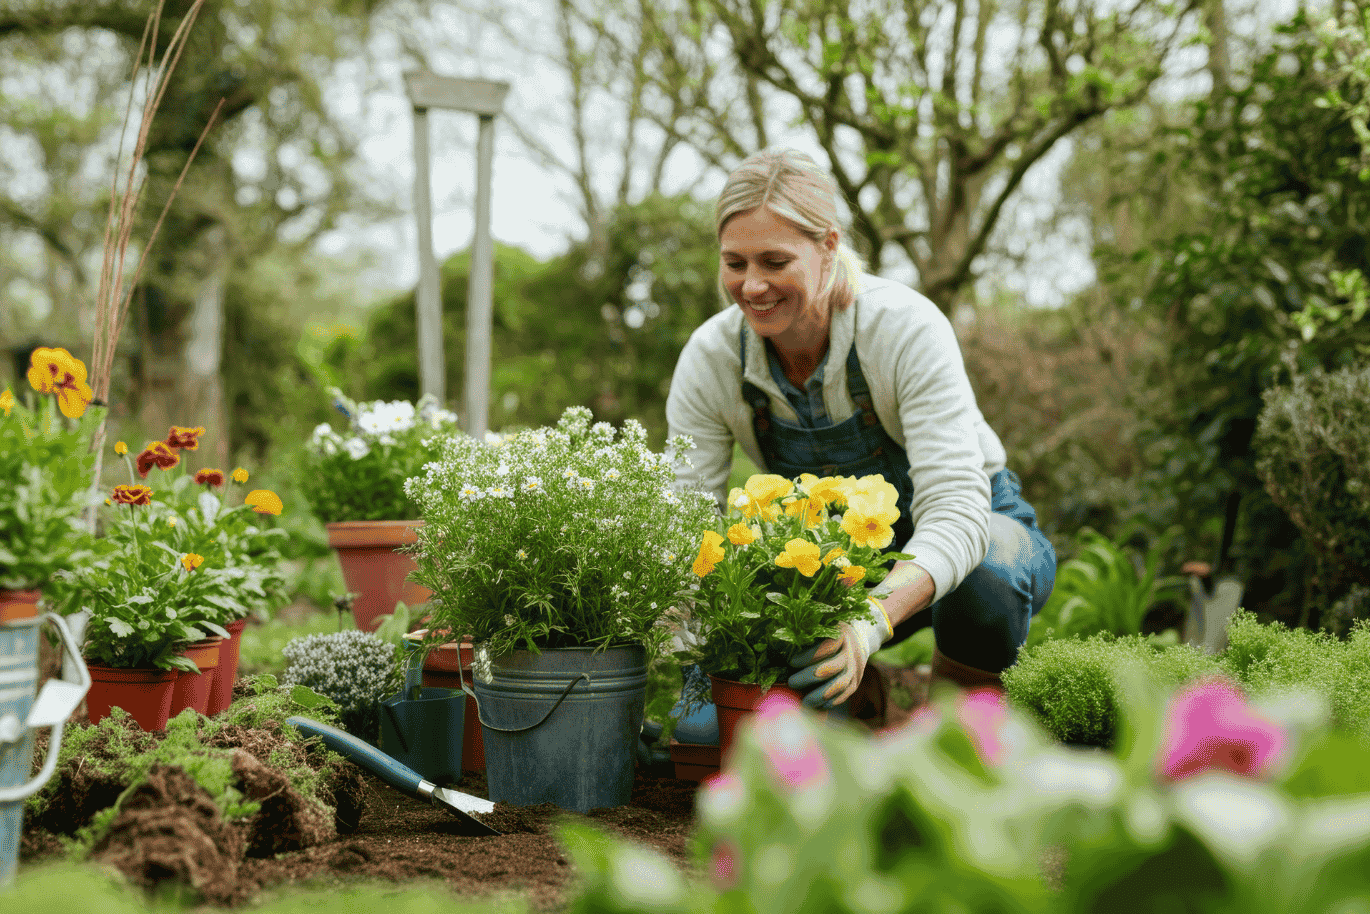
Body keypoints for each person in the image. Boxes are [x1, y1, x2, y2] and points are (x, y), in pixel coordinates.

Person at [666, 147, 1056, 730]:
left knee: (988, 579)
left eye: (774, 261)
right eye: (735, 262)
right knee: (714, 721)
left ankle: (951, 743)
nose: (752, 286)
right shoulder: (712, 357)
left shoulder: (904, 328)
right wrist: (698, 662)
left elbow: (955, 509)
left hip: (972, 535)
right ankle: (856, 700)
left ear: (828, 247)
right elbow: (683, 521)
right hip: (824, 563)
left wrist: (865, 624)